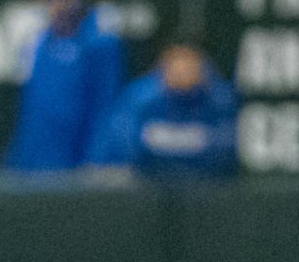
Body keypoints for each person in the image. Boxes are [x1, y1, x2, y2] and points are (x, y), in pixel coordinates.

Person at [0, 0, 124, 175]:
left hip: (78, 166)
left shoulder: (100, 44)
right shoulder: (38, 43)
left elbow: (106, 108)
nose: (57, 2)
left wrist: (96, 160)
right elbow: (33, 111)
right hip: (33, 165)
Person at [94, 42, 240, 179]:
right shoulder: (141, 100)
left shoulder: (221, 101)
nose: (183, 69)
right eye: (177, 61)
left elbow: (226, 150)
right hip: (147, 190)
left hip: (207, 191)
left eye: (190, 62)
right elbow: (122, 147)